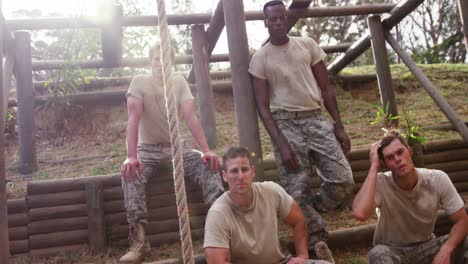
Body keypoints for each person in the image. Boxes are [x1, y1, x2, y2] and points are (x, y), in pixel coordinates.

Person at [248, 0, 355, 252]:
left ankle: (313, 207)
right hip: (285, 124)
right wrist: (282, 145)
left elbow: (326, 88)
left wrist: (339, 126)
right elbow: (263, 107)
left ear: (286, 19)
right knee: (295, 191)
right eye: (272, 19)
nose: (277, 22)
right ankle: (318, 239)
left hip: (316, 119)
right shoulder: (260, 58)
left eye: (281, 17)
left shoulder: (307, 45)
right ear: (265, 22)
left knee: (344, 179)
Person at [119, 43, 225, 264]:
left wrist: (206, 150)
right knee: (131, 173)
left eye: (165, 58)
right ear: (151, 61)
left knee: (209, 165)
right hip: (147, 149)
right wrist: (131, 155)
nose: (160, 62)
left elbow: (190, 117)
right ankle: (139, 241)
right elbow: (133, 117)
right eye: (157, 58)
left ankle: (223, 229)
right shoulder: (139, 82)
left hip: (177, 146)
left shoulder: (178, 82)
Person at [204, 146, 335, 264]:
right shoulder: (218, 213)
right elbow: (216, 261)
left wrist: (302, 256)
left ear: (252, 171)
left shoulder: (271, 191)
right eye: (234, 171)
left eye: (244, 169)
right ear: (225, 176)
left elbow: (298, 220)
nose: (240, 176)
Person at [352, 130, 467, 263]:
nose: (397, 159)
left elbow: (462, 221)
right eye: (390, 157)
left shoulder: (436, 179)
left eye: (400, 152)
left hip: (426, 246)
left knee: (462, 240)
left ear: (409, 151)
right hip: (392, 250)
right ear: (385, 164)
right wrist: (373, 167)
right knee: (377, 253)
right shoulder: (380, 182)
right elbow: (360, 213)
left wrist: (446, 249)